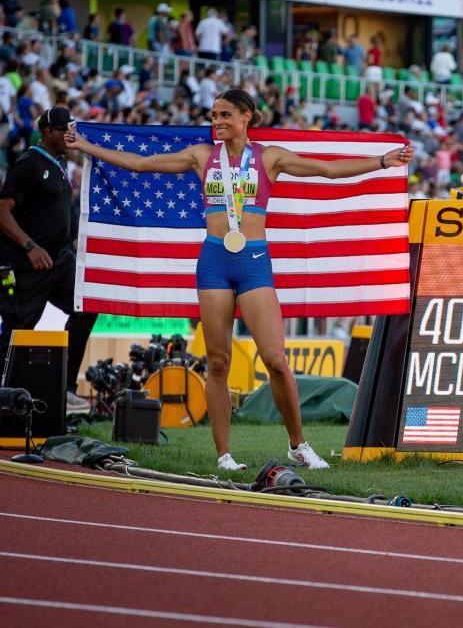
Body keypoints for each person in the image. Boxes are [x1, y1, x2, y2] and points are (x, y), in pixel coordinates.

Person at [66, 89, 413, 470]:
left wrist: (382, 160)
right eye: (213, 115)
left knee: (276, 361)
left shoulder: (269, 157)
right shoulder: (202, 156)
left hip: (254, 262)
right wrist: (86, 146)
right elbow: (141, 164)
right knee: (217, 362)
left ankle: (298, 444)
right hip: (214, 260)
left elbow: (327, 170)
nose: (217, 122)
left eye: (225, 115)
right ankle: (224, 455)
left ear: (246, 116)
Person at [0, 107, 98, 411]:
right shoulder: (29, 163)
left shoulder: (59, 163)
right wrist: (30, 245)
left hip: (60, 259)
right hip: (27, 263)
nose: (70, 136)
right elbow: (2, 210)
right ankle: (5, 394)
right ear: (48, 132)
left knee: (87, 305)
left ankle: (64, 387)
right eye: (65, 130)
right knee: (20, 327)